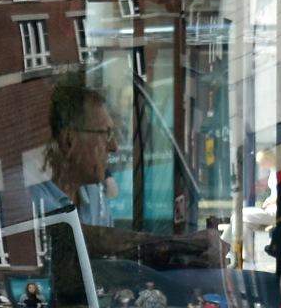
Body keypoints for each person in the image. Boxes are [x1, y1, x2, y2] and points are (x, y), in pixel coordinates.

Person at [29, 76, 215, 272]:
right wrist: (182, 246)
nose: (114, 146)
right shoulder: (32, 198)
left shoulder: (93, 194)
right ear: (69, 141)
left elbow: (110, 261)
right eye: (106, 134)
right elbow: (79, 240)